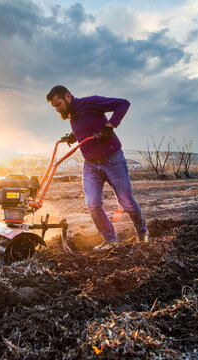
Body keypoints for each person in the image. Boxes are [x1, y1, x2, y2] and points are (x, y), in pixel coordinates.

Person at [46, 85, 148, 252]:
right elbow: (87, 125)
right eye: (54, 107)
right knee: (93, 204)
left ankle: (142, 233)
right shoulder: (72, 115)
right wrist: (74, 135)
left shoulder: (91, 102)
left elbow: (123, 103)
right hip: (91, 164)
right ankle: (110, 240)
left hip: (112, 159)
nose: (57, 109)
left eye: (59, 104)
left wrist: (110, 126)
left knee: (126, 202)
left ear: (68, 97)